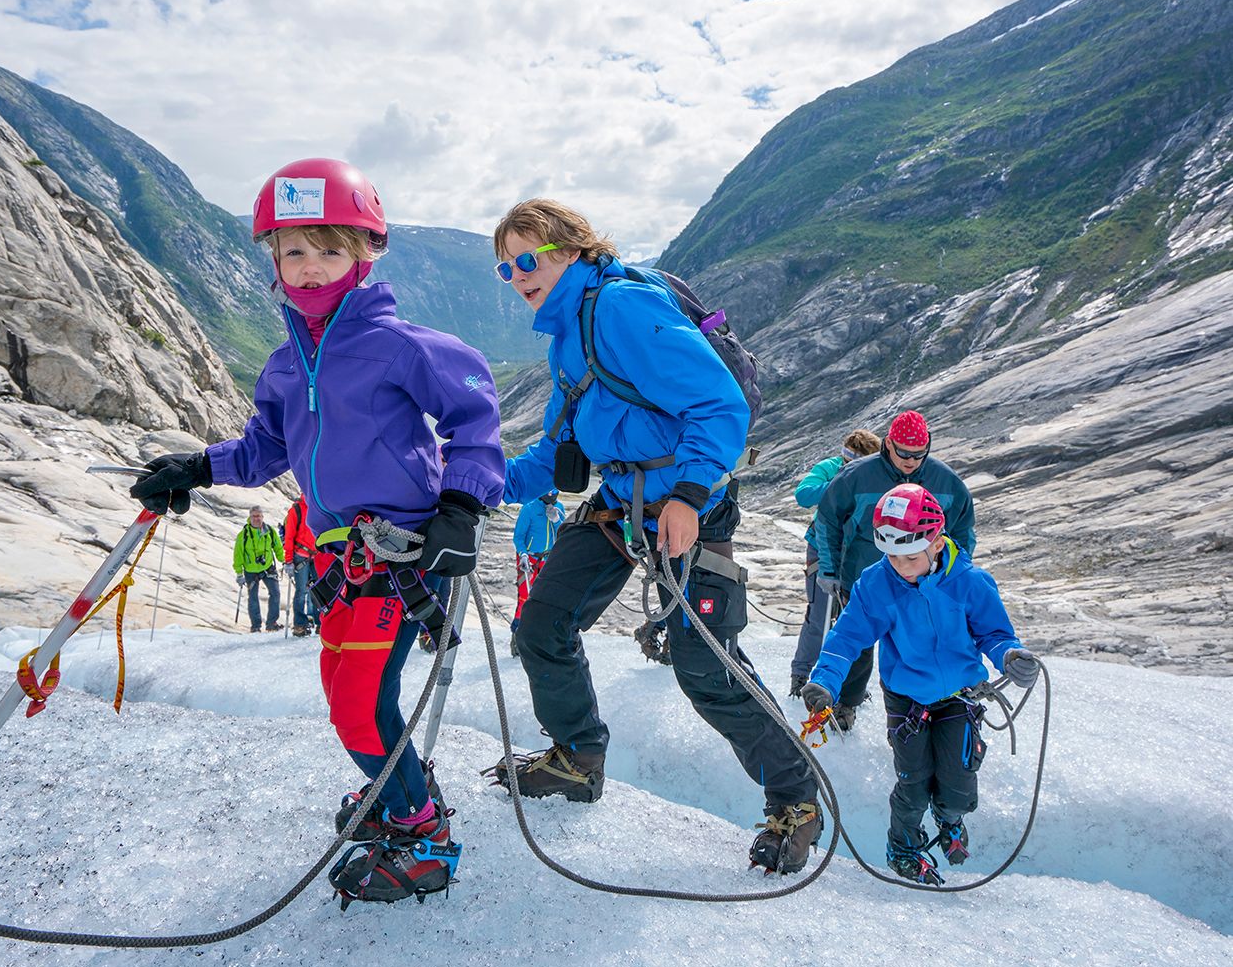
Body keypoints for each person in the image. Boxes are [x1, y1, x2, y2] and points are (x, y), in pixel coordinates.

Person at [128, 158, 503, 907]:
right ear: (272, 257)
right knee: (347, 694)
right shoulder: (282, 366)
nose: (309, 267)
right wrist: (197, 467)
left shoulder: (399, 344)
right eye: (293, 250)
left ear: (365, 254)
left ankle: (422, 835)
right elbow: (267, 447)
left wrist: (462, 506)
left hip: (400, 553)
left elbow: (473, 413)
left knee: (362, 702)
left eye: (329, 249)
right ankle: (399, 792)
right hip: (339, 558)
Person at [484, 198, 822, 875]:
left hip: (689, 509)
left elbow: (717, 401)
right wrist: (472, 481)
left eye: (529, 258)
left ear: (573, 250)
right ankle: (578, 757)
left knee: (706, 666)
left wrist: (693, 494)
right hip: (622, 507)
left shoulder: (619, 309)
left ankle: (797, 801)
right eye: (505, 267)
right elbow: (555, 453)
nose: (518, 275)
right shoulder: (568, 336)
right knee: (543, 621)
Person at [801, 483, 1039, 884]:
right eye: (891, 556)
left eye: (910, 556)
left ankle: (950, 819)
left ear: (936, 540)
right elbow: (846, 638)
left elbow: (994, 634)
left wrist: (1010, 657)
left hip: (960, 697)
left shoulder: (970, 582)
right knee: (912, 783)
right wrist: (825, 681)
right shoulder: (877, 585)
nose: (900, 565)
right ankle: (904, 848)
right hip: (906, 699)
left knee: (959, 781)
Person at [812, 409, 975, 730]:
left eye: (919, 454)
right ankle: (846, 702)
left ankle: (920, 707)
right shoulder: (856, 476)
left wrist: (955, 575)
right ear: (888, 444)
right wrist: (829, 569)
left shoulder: (947, 482)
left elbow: (962, 531)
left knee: (916, 642)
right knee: (856, 644)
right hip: (862, 576)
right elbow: (828, 519)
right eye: (903, 453)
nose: (911, 461)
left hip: (921, 582)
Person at [788, 429, 881, 696]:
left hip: (857, 554)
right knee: (819, 618)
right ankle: (801, 676)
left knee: (852, 620)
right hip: (822, 549)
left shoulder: (874, 476)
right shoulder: (831, 469)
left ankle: (848, 684)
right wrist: (841, 482)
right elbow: (804, 495)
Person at [509, 490, 565, 656]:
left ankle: (541, 637)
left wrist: (556, 521)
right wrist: (523, 554)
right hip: (530, 558)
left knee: (546, 600)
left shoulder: (559, 507)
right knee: (524, 598)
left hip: (548, 558)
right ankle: (517, 637)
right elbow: (518, 537)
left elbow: (563, 533)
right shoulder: (529, 508)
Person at [233, 506, 283, 633]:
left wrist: (285, 561)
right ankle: (256, 626)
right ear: (250, 517)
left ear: (262, 517)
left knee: (275, 593)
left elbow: (278, 547)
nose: (256, 519)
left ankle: (272, 623)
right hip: (250, 570)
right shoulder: (243, 535)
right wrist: (239, 573)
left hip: (268, 567)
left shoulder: (269, 531)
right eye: (254, 516)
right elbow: (238, 554)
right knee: (253, 596)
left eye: (258, 516)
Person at [284, 495, 318, 637]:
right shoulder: (296, 510)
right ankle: (300, 624)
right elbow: (289, 536)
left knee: (317, 590)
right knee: (302, 592)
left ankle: (319, 622)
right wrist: (289, 560)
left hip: (316, 555)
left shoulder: (316, 508)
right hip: (301, 555)